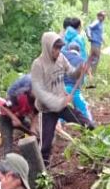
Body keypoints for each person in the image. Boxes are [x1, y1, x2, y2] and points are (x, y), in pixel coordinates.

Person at [31, 32, 95, 166]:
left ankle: (94, 148)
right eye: (55, 48)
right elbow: (39, 91)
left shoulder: (61, 58)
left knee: (86, 123)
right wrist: (58, 101)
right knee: (46, 145)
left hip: (62, 106)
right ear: (48, 47)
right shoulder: (38, 64)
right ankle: (43, 172)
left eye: (60, 48)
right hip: (47, 110)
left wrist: (79, 70)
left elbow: (71, 73)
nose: (58, 51)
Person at [0, 74, 37, 155]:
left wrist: (33, 130)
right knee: (8, 147)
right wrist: (13, 118)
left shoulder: (38, 101)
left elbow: (35, 115)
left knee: (35, 136)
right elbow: (3, 106)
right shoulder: (18, 95)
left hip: (20, 118)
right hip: (6, 118)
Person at [61, 42, 93, 121]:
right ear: (79, 52)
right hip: (74, 89)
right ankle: (90, 124)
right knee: (83, 109)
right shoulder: (82, 60)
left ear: (69, 49)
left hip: (62, 88)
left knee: (61, 109)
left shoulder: (63, 55)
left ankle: (59, 124)